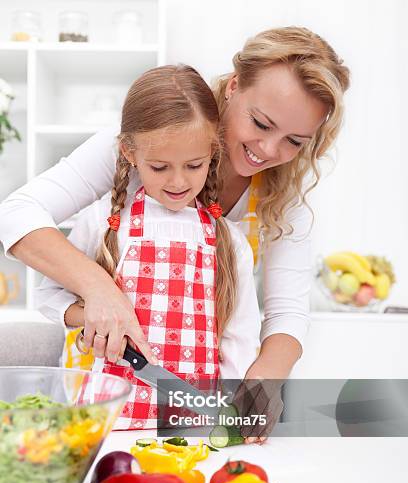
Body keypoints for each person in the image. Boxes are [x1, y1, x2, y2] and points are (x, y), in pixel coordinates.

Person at [0, 27, 350, 442]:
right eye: (260, 122)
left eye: (294, 141)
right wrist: (100, 292)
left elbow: (287, 314)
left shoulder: (284, 196)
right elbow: (16, 213)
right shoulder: (150, 137)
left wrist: (261, 385)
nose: (270, 151)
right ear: (235, 86)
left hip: (196, 388)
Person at [36, 64, 261, 431]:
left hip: (191, 426)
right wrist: (89, 315)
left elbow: (241, 339)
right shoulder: (102, 223)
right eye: (159, 167)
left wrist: (230, 416)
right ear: (129, 152)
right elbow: (47, 298)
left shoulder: (229, 241)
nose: (178, 181)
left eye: (193, 165)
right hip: (103, 421)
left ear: (212, 151)